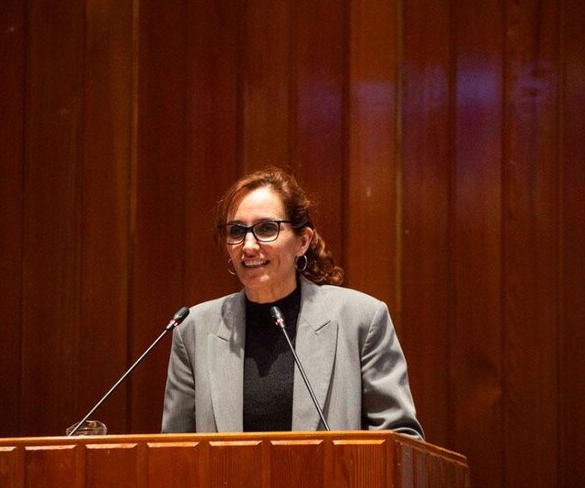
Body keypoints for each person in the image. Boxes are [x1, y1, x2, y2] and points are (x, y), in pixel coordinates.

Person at [161, 167, 423, 438]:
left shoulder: (361, 320)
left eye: (266, 229)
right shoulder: (193, 329)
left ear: (303, 241)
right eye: (237, 231)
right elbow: (175, 455)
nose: (249, 245)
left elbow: (400, 440)